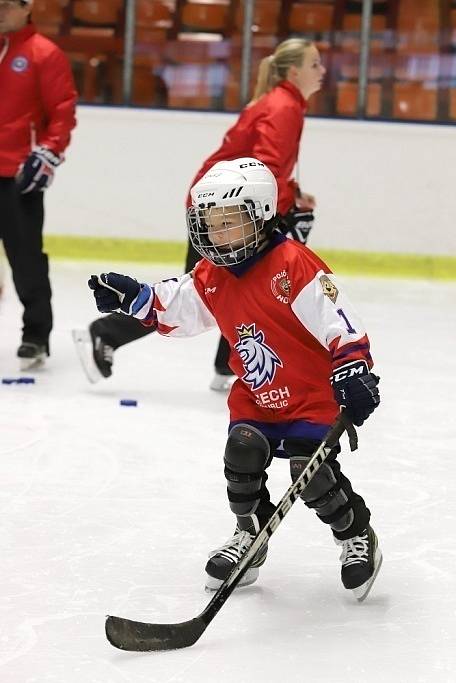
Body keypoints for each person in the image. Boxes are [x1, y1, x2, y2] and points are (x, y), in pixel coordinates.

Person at [88, 158, 383, 601]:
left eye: (229, 222)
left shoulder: (293, 265)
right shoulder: (213, 275)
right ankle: (249, 535)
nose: (218, 233)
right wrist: (136, 297)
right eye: (210, 223)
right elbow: (180, 306)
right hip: (258, 397)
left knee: (312, 470)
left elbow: (338, 319)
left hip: (310, 396)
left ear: (261, 215)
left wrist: (353, 365)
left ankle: (356, 535)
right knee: (242, 453)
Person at [74, 38, 326, 390]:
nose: (323, 71)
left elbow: (267, 168)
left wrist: (292, 196)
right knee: (206, 288)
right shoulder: (284, 106)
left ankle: (230, 366)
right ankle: (106, 333)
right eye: (315, 64)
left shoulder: (284, 103)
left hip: (230, 205)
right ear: (294, 71)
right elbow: (263, 168)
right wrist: (283, 208)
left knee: (242, 282)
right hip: (225, 209)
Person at [0, 0, 77, 369]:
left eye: (3, 5)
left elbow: (62, 110)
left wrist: (48, 152)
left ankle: (35, 336)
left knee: (26, 260)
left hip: (17, 177)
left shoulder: (44, 54)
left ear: (25, 6)